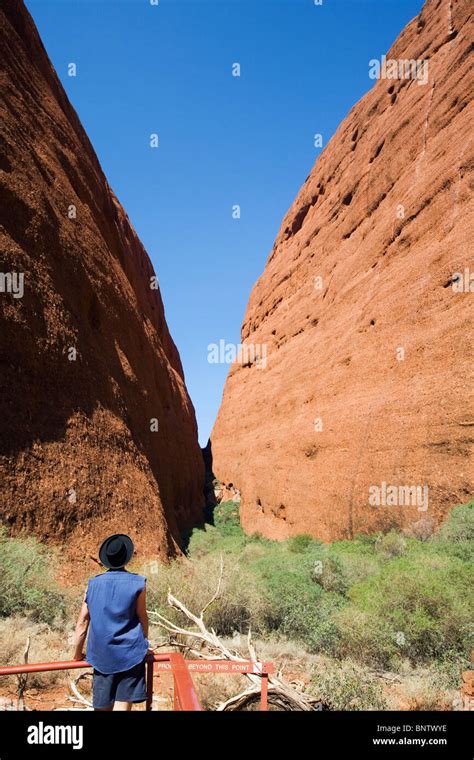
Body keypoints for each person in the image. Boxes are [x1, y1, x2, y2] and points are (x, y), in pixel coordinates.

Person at [72, 534, 150, 711]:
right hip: (130, 653)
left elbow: (82, 622)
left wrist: (77, 653)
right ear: (126, 557)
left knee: (102, 708)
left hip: (101, 656)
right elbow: (142, 617)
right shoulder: (138, 583)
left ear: (106, 559)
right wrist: (145, 642)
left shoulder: (92, 584)